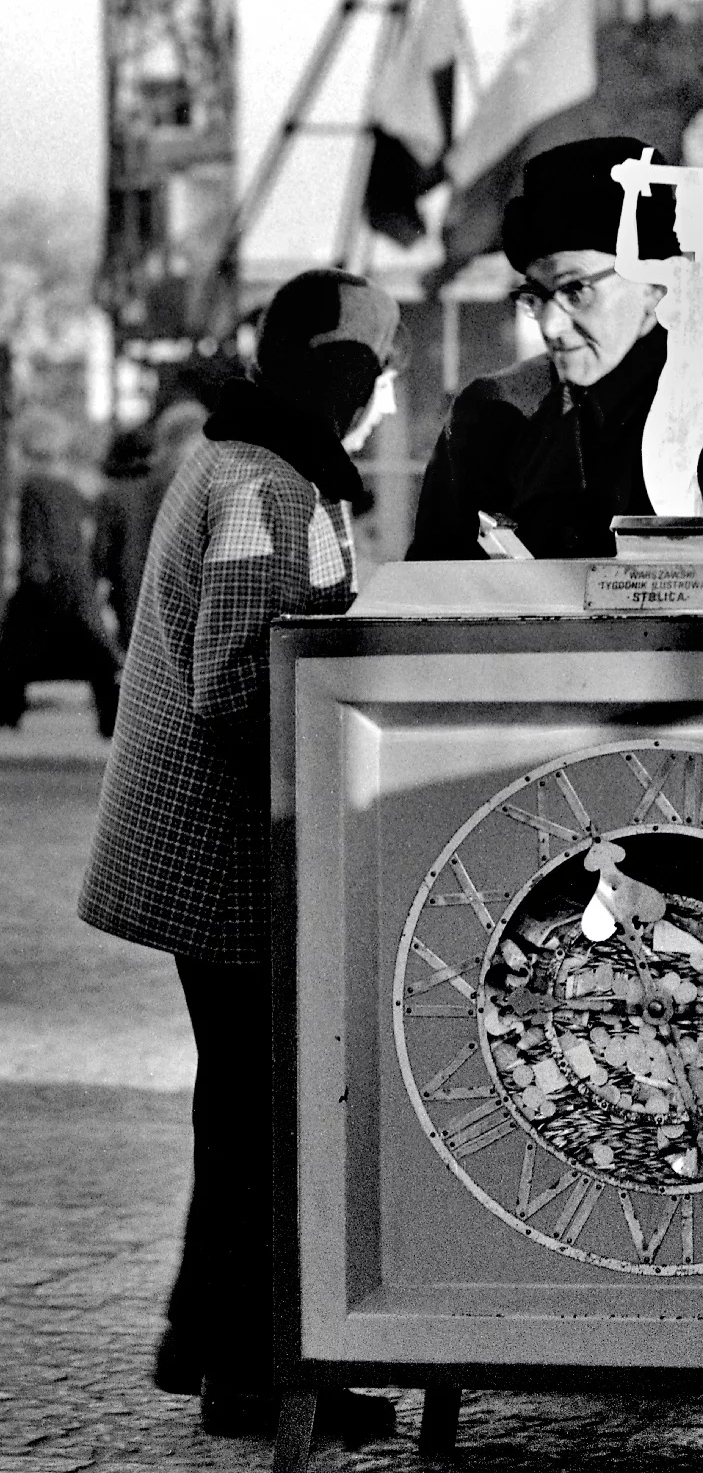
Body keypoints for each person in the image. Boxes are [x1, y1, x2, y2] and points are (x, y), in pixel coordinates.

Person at [78, 269, 401, 1442]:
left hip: (208, 854)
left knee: (242, 1109)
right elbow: (233, 685)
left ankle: (215, 1349)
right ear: (344, 375)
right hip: (226, 862)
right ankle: (254, 1371)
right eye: (382, 369)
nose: (387, 397)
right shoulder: (268, 487)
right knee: (267, 1114)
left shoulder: (235, 461)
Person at [406, 135, 703, 559]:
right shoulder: (490, 413)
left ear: (656, 287)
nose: (552, 326)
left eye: (575, 291)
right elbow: (426, 594)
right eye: (536, 296)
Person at [0, 408, 123, 735]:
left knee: (12, 650)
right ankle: (110, 719)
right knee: (96, 654)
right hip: (74, 578)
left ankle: (8, 713)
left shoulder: (33, 486)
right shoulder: (69, 486)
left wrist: (32, 574)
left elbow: (34, 538)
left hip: (45, 578)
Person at [94, 400, 208, 651]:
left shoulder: (120, 496)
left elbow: (100, 577)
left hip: (136, 639)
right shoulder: (202, 495)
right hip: (172, 641)